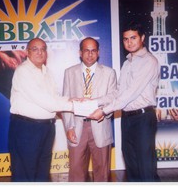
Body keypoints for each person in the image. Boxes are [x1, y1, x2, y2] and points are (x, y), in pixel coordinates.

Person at [88, 21, 160, 182]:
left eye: (133, 38)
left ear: (142, 38)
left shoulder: (149, 61)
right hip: (127, 118)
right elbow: (118, 92)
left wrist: (104, 111)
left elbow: (129, 94)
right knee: (132, 164)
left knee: (145, 166)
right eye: (126, 39)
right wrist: (94, 101)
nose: (129, 42)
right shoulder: (128, 63)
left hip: (142, 118)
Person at [8, 37, 74, 182]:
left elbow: (55, 97)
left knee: (42, 172)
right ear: (27, 52)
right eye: (35, 49)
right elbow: (46, 101)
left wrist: (73, 100)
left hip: (46, 128)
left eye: (43, 49)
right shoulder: (23, 71)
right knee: (25, 174)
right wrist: (73, 106)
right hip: (27, 129)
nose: (40, 52)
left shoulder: (47, 72)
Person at [62, 37, 117, 182]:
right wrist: (69, 127)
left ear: (98, 53)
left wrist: (98, 106)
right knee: (76, 173)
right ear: (80, 52)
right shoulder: (69, 72)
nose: (90, 54)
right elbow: (65, 102)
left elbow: (113, 97)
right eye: (86, 50)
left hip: (100, 124)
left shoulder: (109, 73)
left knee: (102, 173)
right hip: (77, 127)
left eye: (93, 51)